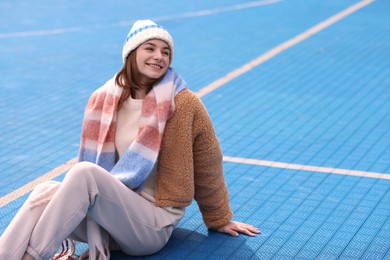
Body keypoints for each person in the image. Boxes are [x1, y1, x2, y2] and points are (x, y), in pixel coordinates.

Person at [0, 19, 260, 260]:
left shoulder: (183, 103)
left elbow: (207, 162)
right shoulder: (104, 99)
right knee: (44, 191)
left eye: (166, 52)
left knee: (85, 174)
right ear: (131, 54)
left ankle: (32, 256)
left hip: (152, 225)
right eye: (150, 48)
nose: (159, 56)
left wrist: (218, 217)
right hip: (110, 217)